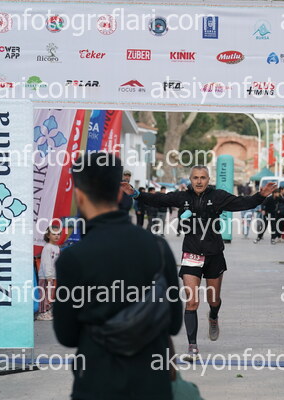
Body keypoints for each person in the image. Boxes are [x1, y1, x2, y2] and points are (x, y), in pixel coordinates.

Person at [54, 152, 182, 400]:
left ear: (79, 196)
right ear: (120, 193)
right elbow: (175, 323)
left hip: (96, 384)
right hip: (152, 384)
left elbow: (66, 335)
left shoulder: (73, 259)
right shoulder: (158, 248)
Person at [122, 165, 275, 360]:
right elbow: (159, 199)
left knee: (213, 300)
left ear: (208, 179)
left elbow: (243, 203)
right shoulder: (182, 197)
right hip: (191, 253)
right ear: (191, 179)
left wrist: (261, 196)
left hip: (214, 254)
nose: (199, 181)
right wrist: (136, 194)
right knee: (192, 301)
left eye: (203, 177)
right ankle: (192, 346)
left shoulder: (218, 196)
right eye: (195, 178)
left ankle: (213, 316)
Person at [37, 225, 61, 321]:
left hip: (53, 276)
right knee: (44, 294)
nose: (57, 236)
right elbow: (46, 262)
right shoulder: (47, 248)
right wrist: (48, 275)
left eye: (58, 234)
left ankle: (48, 310)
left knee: (50, 295)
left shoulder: (57, 248)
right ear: (48, 235)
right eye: (54, 234)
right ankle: (42, 313)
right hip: (46, 276)